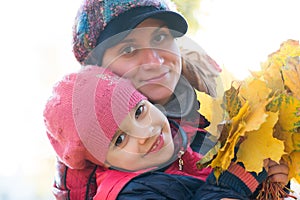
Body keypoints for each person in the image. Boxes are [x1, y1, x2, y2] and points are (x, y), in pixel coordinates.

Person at [50, 0, 289, 199]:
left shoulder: (216, 114)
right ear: (97, 73)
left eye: (160, 38)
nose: (155, 60)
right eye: (128, 50)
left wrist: (270, 184)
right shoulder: (116, 181)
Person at [44, 66, 270, 199]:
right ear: (103, 162)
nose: (145, 133)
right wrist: (231, 184)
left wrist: (267, 182)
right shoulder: (129, 194)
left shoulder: (185, 147)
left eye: (140, 111)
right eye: (120, 139)